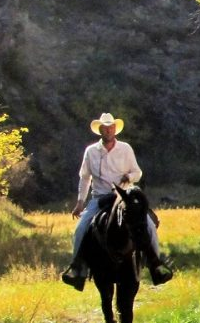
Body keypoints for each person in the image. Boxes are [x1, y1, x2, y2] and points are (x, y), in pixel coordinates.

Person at [61, 113, 171, 290]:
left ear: (115, 129)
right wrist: (80, 201)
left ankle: (156, 265)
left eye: (111, 127)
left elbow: (138, 173)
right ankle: (77, 269)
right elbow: (85, 177)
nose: (108, 130)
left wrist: (129, 177)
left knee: (149, 225)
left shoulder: (125, 149)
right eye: (105, 127)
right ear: (100, 130)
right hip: (100, 197)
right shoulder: (91, 151)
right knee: (81, 228)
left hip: (124, 196)